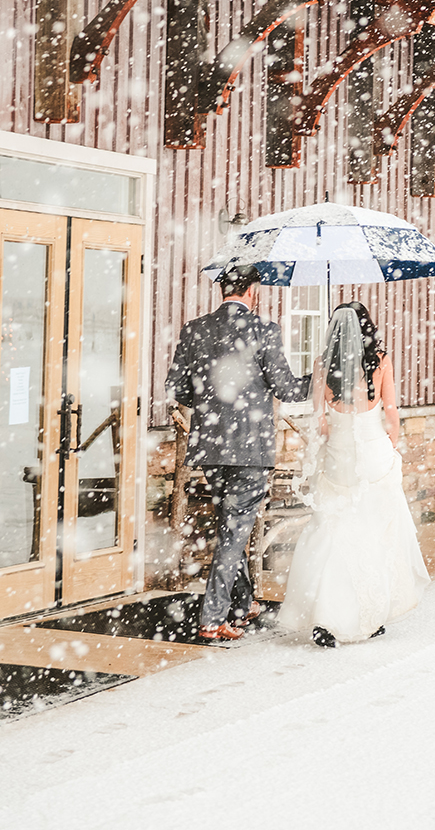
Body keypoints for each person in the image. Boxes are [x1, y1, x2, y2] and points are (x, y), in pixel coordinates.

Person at [166, 264, 311, 640]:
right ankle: (212, 618)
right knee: (233, 533)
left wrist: (213, 402)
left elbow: (178, 389)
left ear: (223, 290)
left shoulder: (194, 329)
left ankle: (245, 605)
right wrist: (321, 373)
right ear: (253, 291)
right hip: (249, 449)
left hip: (211, 448)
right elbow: (288, 389)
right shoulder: (264, 330)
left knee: (230, 528)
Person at [278, 302, 430, 646]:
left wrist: (337, 441)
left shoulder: (322, 365)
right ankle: (372, 613)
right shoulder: (380, 361)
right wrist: (389, 445)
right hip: (374, 456)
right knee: (376, 533)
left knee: (333, 535)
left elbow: (319, 423)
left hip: (339, 460)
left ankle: (326, 618)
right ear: (368, 329)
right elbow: (390, 415)